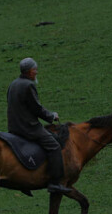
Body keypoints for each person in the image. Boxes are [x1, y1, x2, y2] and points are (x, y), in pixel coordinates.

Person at [6, 58, 67, 192]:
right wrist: (52, 116)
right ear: (29, 72)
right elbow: (36, 108)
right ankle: (55, 183)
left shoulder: (13, 84)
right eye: (35, 70)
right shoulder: (28, 85)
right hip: (28, 127)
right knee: (54, 146)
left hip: (13, 127)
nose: (37, 72)